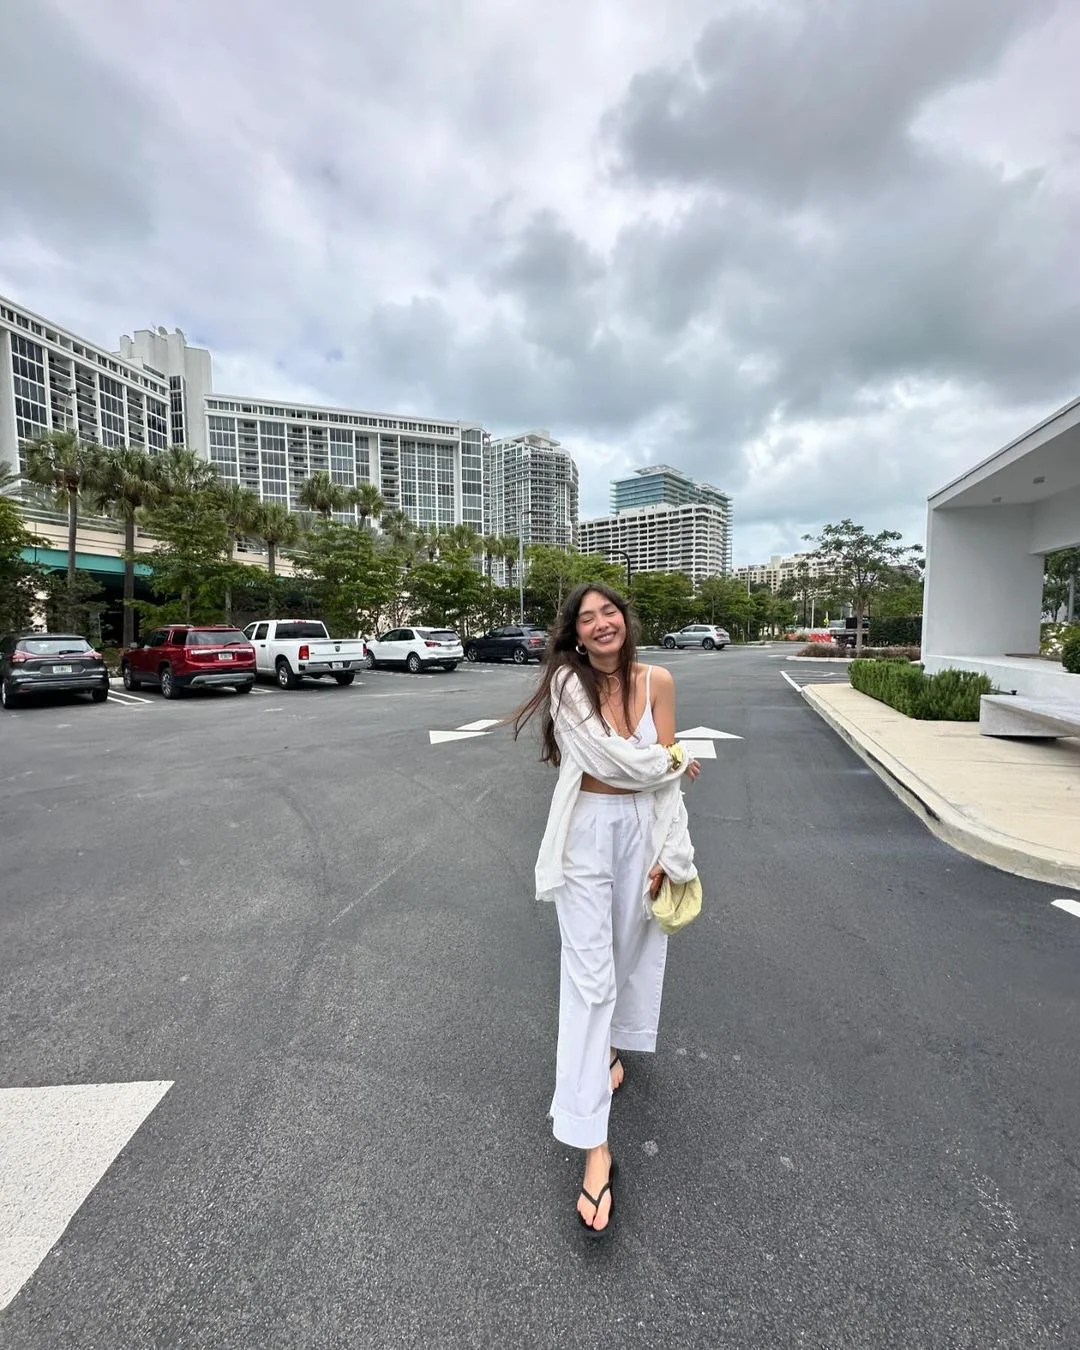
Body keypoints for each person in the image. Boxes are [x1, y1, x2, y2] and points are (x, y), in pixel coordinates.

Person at [513, 582, 700, 1239]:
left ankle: (612, 1051)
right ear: (575, 634)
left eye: (608, 612)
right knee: (588, 980)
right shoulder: (569, 685)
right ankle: (594, 1142)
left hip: (643, 834)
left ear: (625, 619)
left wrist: (670, 851)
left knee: (626, 956)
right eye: (586, 618)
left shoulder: (658, 681)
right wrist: (670, 761)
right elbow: (627, 762)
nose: (600, 624)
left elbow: (666, 783)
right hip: (587, 834)